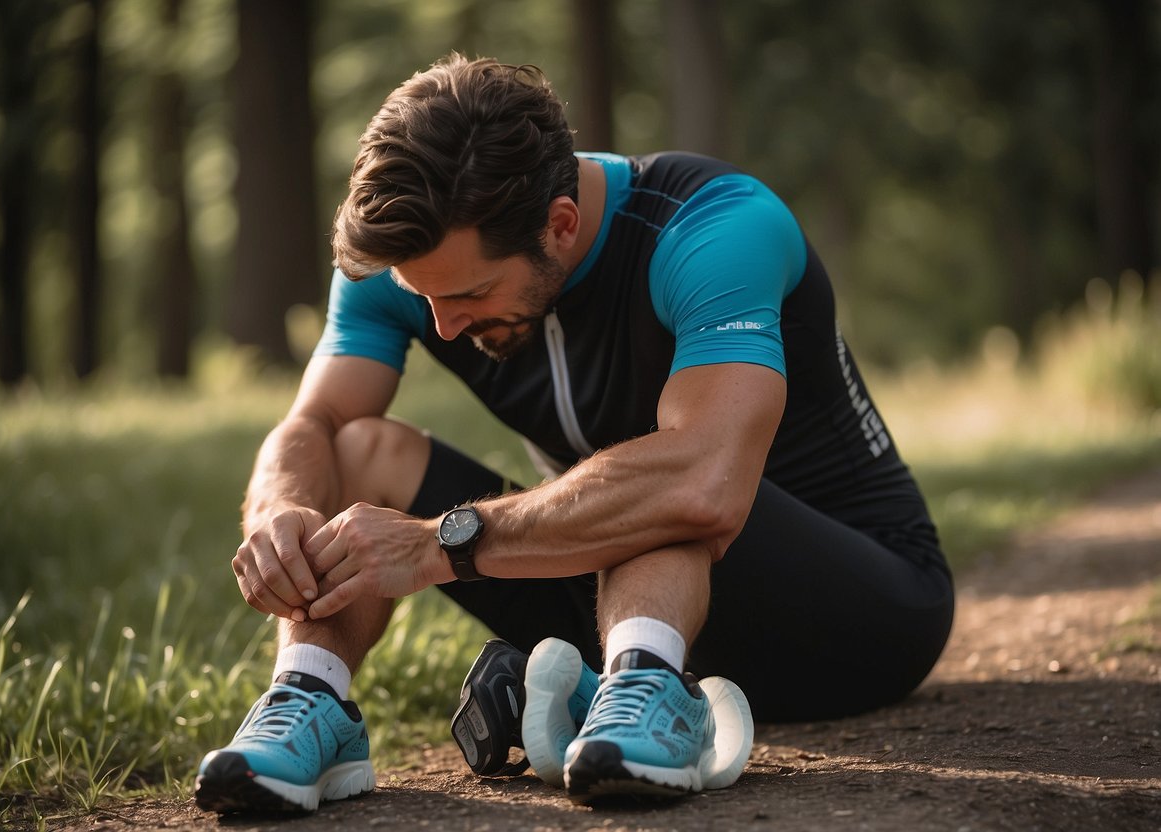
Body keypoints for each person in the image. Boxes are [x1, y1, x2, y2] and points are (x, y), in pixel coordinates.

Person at [193, 53, 954, 813]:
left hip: (863, 615)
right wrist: (277, 516)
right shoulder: (410, 261)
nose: (443, 326)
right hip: (618, 594)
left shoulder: (713, 226)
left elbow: (705, 485)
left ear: (559, 225)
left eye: (468, 294)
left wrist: (435, 545)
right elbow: (316, 425)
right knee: (358, 447)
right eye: (420, 297)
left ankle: (646, 683)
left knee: (662, 481)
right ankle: (311, 702)